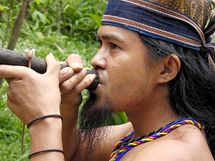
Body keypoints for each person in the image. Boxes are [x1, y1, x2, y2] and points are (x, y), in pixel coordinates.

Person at [0, 0, 215, 160]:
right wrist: (66, 105)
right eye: (100, 44)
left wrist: (43, 120)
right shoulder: (138, 133)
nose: (96, 60)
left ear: (166, 68)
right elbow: (72, 153)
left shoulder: (174, 153)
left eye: (114, 46)